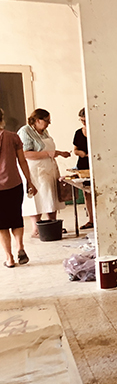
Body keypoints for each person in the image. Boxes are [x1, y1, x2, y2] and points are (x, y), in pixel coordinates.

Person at [18, 109, 71, 237]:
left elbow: (49, 150)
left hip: (49, 168)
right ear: (37, 120)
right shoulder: (26, 131)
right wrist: (48, 153)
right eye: (46, 121)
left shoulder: (44, 131)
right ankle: (36, 228)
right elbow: (25, 153)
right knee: (37, 198)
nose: (48, 123)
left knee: (51, 195)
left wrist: (59, 153)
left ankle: (52, 223)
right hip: (35, 170)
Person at [0, 108, 37, 267]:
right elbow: (22, 161)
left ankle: (9, 259)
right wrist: (29, 181)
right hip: (14, 184)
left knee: (2, 224)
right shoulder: (13, 137)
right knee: (16, 217)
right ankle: (20, 247)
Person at [72, 108, 94, 230]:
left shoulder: (96, 131)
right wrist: (79, 152)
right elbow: (75, 149)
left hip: (95, 163)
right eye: (81, 120)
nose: (84, 123)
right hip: (83, 165)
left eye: (85, 120)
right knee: (86, 192)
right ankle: (91, 219)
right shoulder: (78, 133)